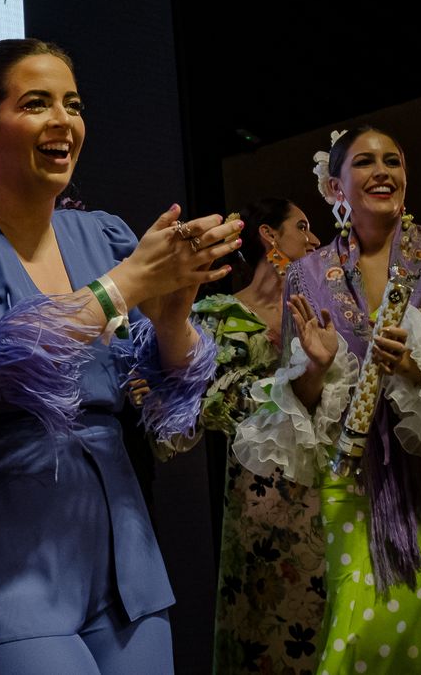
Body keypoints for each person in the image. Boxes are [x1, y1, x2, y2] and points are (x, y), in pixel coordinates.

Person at [0, 37, 224, 675]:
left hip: (119, 553)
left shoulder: (102, 235)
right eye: (37, 104)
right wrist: (124, 286)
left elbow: (173, 401)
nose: (63, 120)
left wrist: (174, 315)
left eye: (73, 104)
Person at [234, 126, 421, 673]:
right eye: (364, 162)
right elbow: (297, 409)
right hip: (355, 486)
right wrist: (314, 368)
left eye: (393, 160)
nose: (382, 171)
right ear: (337, 188)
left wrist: (419, 370)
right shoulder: (308, 275)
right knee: (362, 635)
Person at [158, 198, 329, 674]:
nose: (314, 239)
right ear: (269, 237)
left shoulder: (325, 312)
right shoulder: (219, 314)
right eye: (302, 226)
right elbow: (189, 405)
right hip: (259, 493)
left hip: (326, 483)